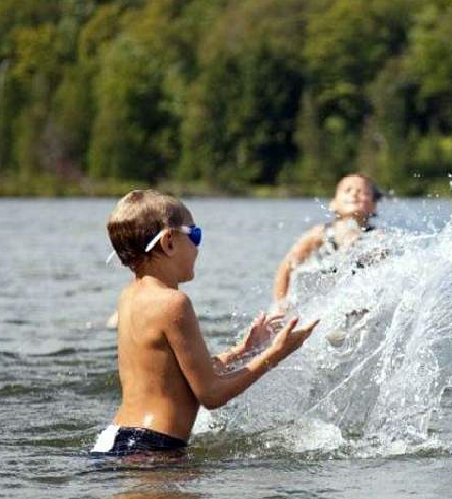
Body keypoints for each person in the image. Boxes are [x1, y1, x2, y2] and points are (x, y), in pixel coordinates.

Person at [93, 190, 317, 457]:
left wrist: (241, 351)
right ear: (169, 242)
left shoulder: (130, 295)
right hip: (151, 450)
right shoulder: (173, 303)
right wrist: (276, 354)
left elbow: (176, 378)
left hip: (115, 439)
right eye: (195, 235)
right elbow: (211, 394)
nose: (198, 246)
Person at [273, 174, 382, 312]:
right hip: (323, 298)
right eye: (347, 190)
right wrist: (280, 304)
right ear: (333, 204)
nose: (354, 194)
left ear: (373, 206)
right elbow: (287, 266)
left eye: (363, 192)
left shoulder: (376, 237)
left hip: (356, 302)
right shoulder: (320, 233)